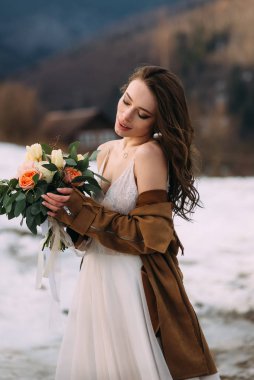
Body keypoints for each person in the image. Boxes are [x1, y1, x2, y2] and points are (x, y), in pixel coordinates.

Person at [41, 65, 221, 380]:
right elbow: (91, 233)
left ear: (158, 121)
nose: (126, 116)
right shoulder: (104, 151)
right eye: (126, 101)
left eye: (142, 114)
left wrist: (80, 208)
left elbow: (150, 235)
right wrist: (60, 210)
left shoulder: (150, 154)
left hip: (131, 284)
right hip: (96, 280)